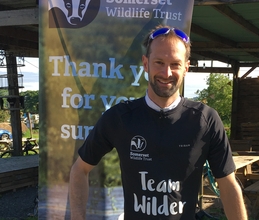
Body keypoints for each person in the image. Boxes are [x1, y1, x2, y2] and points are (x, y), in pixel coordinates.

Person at [69, 25, 247, 220]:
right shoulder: (119, 118)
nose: (166, 72)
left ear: (186, 68)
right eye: (159, 62)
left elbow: (228, 184)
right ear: (146, 64)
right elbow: (80, 169)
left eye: (175, 64)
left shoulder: (205, 120)